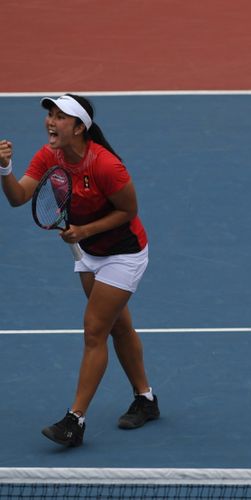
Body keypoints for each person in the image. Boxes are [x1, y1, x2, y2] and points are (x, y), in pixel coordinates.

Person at [0, 94, 159, 447]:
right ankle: (145, 399)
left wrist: (84, 231)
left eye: (60, 117)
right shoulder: (48, 156)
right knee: (119, 326)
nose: (50, 122)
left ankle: (75, 421)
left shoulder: (105, 165)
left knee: (94, 330)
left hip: (124, 253)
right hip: (88, 253)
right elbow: (17, 196)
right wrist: (5, 169)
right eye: (50, 115)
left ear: (78, 127)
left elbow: (128, 211)